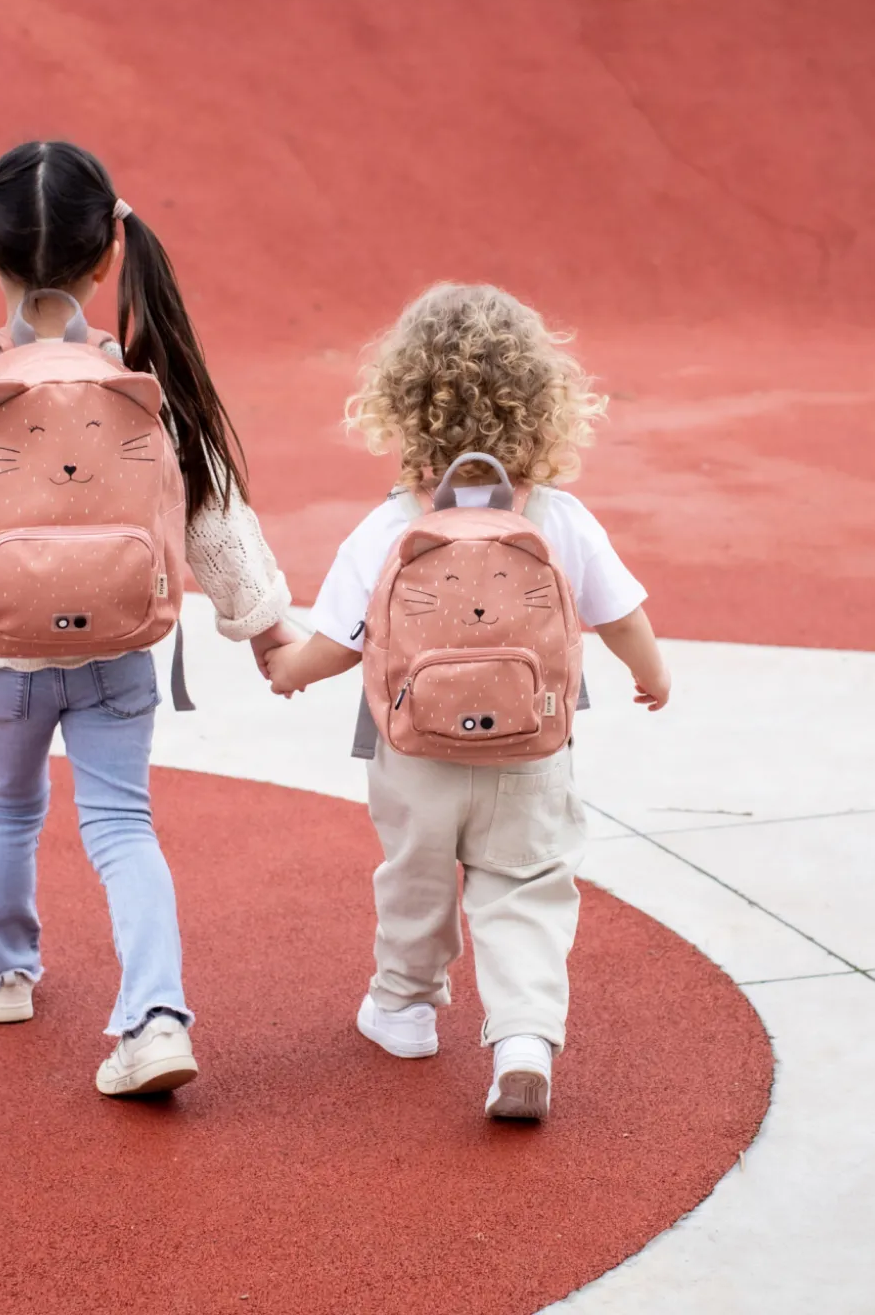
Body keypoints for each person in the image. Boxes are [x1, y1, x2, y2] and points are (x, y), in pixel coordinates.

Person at [0, 141, 295, 1097]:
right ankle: (155, 1015)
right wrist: (263, 622)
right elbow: (210, 511)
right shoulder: (134, 380)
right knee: (123, 825)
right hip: (118, 651)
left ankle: (5, 972)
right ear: (112, 251)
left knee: (7, 809)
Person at [266, 283, 670, 1120]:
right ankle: (523, 1038)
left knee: (415, 876)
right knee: (525, 883)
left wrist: (288, 669)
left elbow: (339, 642)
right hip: (531, 748)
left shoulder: (390, 526)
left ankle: (404, 1009)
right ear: (541, 405)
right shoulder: (558, 517)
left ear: (403, 404)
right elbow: (621, 615)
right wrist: (651, 671)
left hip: (414, 752)